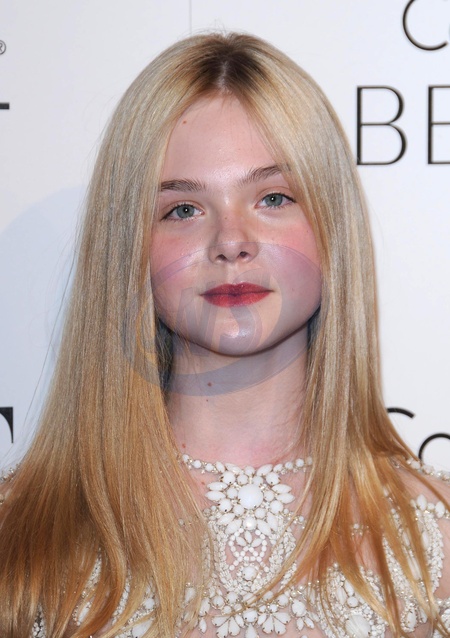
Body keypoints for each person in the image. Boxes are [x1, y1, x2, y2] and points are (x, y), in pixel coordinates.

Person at [0, 32, 449, 638]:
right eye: (183, 209)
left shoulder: (435, 538)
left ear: (331, 227)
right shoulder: (20, 538)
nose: (231, 241)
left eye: (273, 197)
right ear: (129, 247)